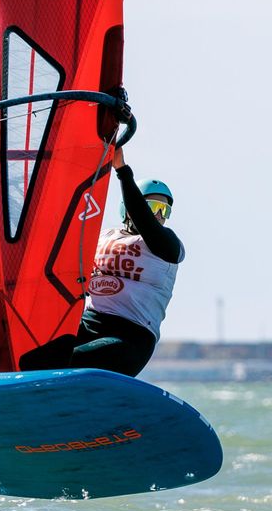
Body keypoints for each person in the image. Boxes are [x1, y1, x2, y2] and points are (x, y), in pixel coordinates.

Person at [22, 146, 184, 376]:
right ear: (126, 209)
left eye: (164, 210)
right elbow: (54, 235)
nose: (157, 215)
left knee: (67, 362)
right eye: (152, 207)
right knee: (30, 358)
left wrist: (122, 170)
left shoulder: (168, 246)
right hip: (88, 324)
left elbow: (145, 222)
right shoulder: (102, 236)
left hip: (130, 338)